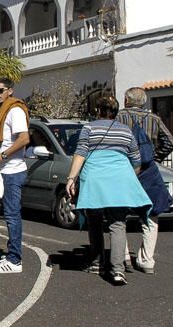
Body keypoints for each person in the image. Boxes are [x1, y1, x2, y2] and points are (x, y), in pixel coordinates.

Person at [65, 95, 152, 285]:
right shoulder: (126, 131)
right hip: (120, 178)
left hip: (94, 178)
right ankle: (118, 270)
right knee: (118, 223)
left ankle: (97, 263)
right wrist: (128, 177)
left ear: (98, 110)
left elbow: (80, 153)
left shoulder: (89, 128)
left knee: (95, 221)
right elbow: (136, 160)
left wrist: (71, 178)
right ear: (115, 112)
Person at [116, 87, 173, 274]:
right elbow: (170, 143)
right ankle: (146, 260)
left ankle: (123, 256)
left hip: (125, 169)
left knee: (119, 214)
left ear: (126, 100)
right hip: (148, 169)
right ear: (144, 101)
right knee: (151, 214)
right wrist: (155, 157)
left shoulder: (119, 118)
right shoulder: (154, 119)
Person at [0, 78, 31, 274]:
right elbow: (3, 140)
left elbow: (24, 139)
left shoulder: (15, 110)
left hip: (13, 170)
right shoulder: (5, 112)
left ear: (10, 91)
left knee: (12, 215)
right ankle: (11, 254)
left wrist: (2, 156)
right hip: (6, 170)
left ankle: (14, 260)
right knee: (9, 214)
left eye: (1, 90)